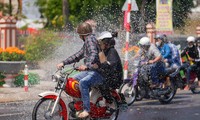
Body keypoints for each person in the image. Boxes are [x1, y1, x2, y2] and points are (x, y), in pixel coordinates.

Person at [57, 22, 104, 118]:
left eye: (79, 35)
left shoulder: (90, 40)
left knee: (83, 83)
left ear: (83, 35)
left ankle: (86, 110)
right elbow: (78, 55)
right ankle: (79, 103)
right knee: (73, 79)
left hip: (98, 73)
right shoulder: (88, 41)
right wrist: (64, 62)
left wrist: (87, 65)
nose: (79, 37)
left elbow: (94, 54)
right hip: (91, 71)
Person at [94, 31, 123, 103]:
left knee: (100, 83)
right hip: (108, 76)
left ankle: (110, 102)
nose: (99, 44)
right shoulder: (105, 51)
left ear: (106, 43)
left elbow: (109, 66)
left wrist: (98, 66)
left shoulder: (112, 51)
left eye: (101, 42)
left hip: (114, 79)